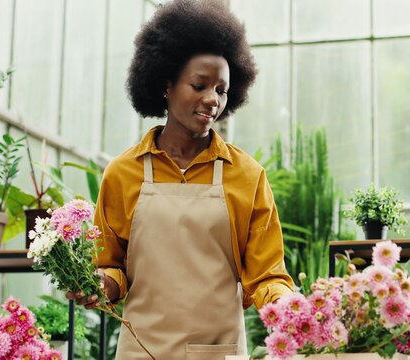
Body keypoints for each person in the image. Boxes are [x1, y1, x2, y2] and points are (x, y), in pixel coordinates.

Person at [66, 0, 294, 358]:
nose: (211, 100)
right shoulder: (123, 172)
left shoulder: (247, 175)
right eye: (199, 85)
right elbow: (110, 263)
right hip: (142, 350)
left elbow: (267, 274)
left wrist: (289, 308)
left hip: (218, 351)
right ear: (165, 85)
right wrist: (99, 285)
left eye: (221, 90)